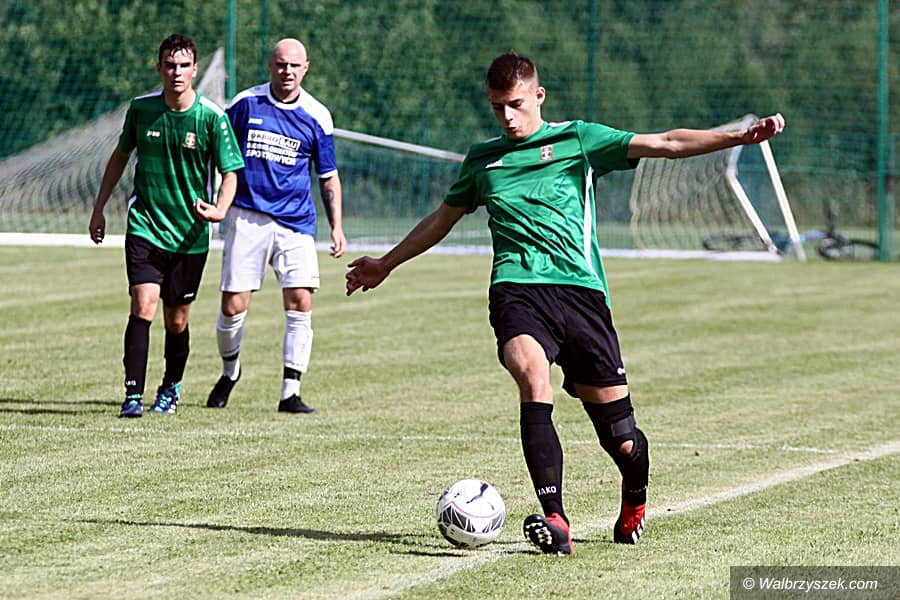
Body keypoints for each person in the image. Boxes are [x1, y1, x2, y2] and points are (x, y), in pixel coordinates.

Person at [345, 52, 785, 555]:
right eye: (496, 107)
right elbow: (441, 220)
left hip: (581, 295)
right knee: (532, 376)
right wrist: (386, 263)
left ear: (539, 96)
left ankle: (634, 495)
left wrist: (737, 138)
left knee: (622, 440)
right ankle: (556, 519)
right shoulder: (483, 160)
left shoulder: (578, 139)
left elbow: (665, 143)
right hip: (516, 289)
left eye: (515, 104)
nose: (507, 117)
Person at [89, 33, 245, 418]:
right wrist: (99, 207)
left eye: (183, 66)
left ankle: (170, 387)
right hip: (146, 225)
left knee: (176, 319)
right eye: (170, 65)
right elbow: (120, 156)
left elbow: (230, 173)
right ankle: (132, 395)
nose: (176, 72)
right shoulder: (141, 110)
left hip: (190, 235)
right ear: (159, 68)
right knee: (143, 304)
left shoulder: (211, 118)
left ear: (195, 70)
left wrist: (219, 210)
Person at [206, 38, 346, 414]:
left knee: (301, 301)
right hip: (247, 215)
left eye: (295, 66)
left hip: (295, 222)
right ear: (270, 65)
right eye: (281, 64)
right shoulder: (244, 104)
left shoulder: (317, 115)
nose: (287, 71)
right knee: (233, 305)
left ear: (306, 69)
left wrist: (337, 227)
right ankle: (230, 372)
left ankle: (290, 393)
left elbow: (328, 177)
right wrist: (216, 203)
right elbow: (218, 156)